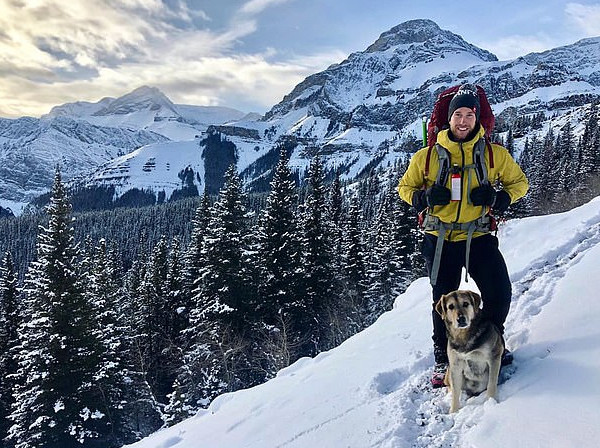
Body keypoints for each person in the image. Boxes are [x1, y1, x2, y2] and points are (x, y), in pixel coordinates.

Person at [397, 84, 529, 387]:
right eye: (458, 114)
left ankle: (492, 344)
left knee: (499, 293)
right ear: (449, 118)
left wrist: (500, 199)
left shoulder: (494, 155)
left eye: (470, 115)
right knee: (443, 301)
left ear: (477, 120)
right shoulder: (426, 157)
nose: (463, 120)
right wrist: (423, 198)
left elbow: (520, 183)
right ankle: (444, 359)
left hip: (478, 236)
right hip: (439, 238)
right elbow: (405, 188)